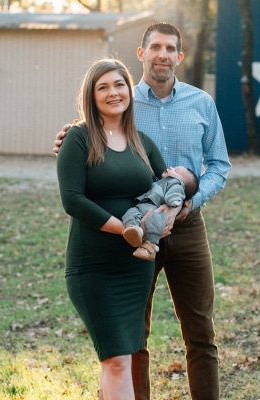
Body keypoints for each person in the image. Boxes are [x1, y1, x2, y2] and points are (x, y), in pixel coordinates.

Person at [54, 23, 231, 400]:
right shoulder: (121, 98)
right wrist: (68, 138)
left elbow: (218, 165)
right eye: (155, 47)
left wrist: (189, 203)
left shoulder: (201, 103)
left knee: (201, 332)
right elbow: (92, 135)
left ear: (179, 57)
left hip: (186, 226)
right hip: (134, 229)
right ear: (142, 53)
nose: (162, 54)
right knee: (134, 335)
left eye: (170, 48)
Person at [56, 58, 169, 400]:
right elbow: (72, 200)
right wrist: (125, 229)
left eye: (119, 84)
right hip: (93, 267)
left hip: (134, 268)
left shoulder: (142, 142)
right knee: (116, 359)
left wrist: (161, 218)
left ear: (129, 91)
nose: (113, 93)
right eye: (102, 87)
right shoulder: (77, 139)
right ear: (91, 96)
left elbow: (165, 188)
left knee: (124, 357)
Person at [122, 166, 199, 261]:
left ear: (181, 183)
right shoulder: (160, 181)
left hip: (154, 208)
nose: (171, 167)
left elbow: (175, 193)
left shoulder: (175, 184)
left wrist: (174, 202)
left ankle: (150, 246)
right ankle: (133, 230)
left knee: (155, 221)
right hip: (141, 206)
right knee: (130, 213)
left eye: (176, 170)